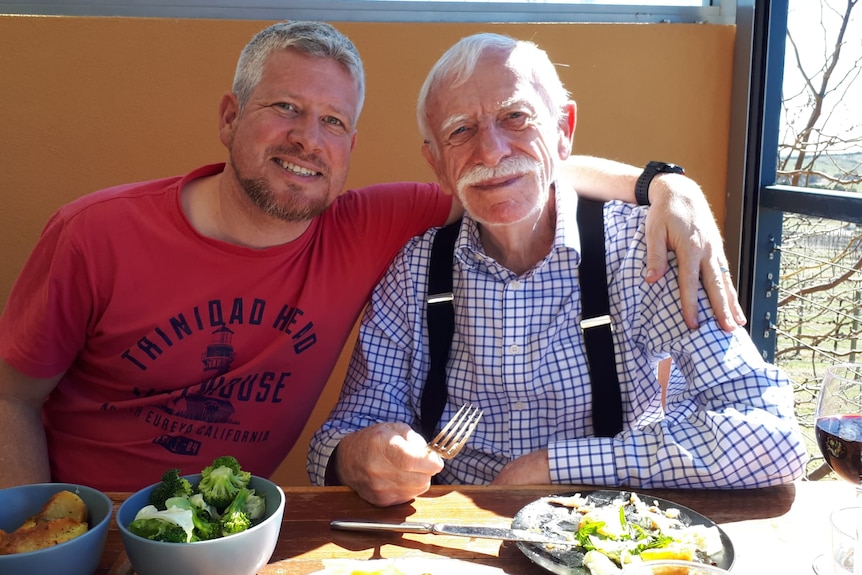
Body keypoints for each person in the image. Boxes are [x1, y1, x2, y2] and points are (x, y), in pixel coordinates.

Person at [0, 21, 740, 492]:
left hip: (235, 534)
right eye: (284, 108)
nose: (306, 138)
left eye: (332, 121)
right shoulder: (94, 233)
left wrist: (661, 184)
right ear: (230, 118)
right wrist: (35, 544)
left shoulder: (374, 228)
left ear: (351, 146)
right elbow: (10, 396)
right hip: (84, 524)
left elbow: (514, 172)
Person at [307, 32, 808, 507]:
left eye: (516, 117)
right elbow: (338, 439)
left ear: (563, 131)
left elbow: (771, 436)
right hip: (452, 532)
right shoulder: (415, 270)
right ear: (436, 163)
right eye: (461, 131)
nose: (492, 151)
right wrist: (359, 457)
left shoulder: (644, 251)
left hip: (610, 533)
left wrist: (560, 465)